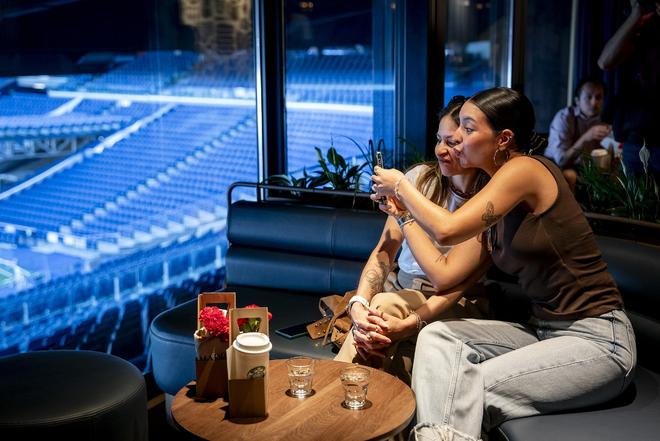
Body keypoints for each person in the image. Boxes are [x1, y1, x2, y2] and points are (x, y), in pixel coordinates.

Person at [371, 87, 636, 441]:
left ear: (504, 139)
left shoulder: (525, 170)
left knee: (462, 386)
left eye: (467, 129)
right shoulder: (491, 189)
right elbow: (450, 271)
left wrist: (402, 186)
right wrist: (404, 213)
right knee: (436, 336)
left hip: (598, 339)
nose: (455, 138)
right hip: (543, 331)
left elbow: (447, 230)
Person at [334, 96, 491, 383]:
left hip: (455, 301)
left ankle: (333, 392)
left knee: (383, 309)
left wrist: (405, 213)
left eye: (452, 142)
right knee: (383, 341)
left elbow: (449, 281)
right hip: (402, 289)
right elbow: (385, 249)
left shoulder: (489, 198)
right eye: (438, 139)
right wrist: (358, 303)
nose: (441, 150)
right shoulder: (419, 178)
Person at [598, 0, 660, 175]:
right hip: (636, 139)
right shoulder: (644, 26)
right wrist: (635, 16)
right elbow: (605, 62)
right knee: (633, 194)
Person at [543, 76, 610, 192]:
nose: (594, 103)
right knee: (570, 175)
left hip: (583, 167)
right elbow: (561, 160)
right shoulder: (564, 118)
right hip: (556, 166)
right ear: (577, 100)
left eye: (598, 97)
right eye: (588, 97)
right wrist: (586, 137)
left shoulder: (601, 120)